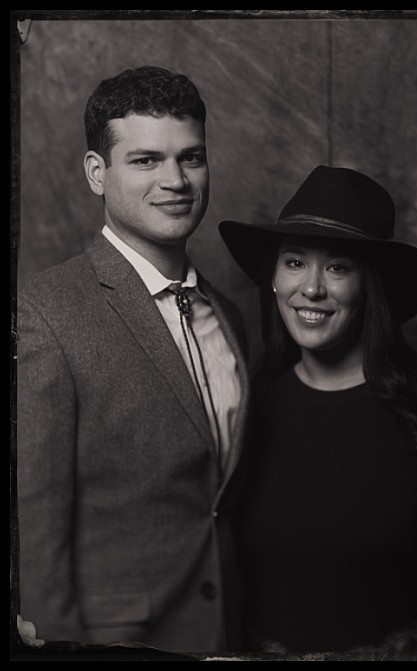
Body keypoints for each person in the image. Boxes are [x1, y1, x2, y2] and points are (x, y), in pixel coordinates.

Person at [16, 66, 250, 652]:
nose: (175, 180)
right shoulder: (44, 311)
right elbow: (36, 521)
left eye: (190, 158)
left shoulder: (229, 315)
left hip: (232, 631)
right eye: (146, 160)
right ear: (98, 173)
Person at [218, 165, 417, 654]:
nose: (311, 289)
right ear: (272, 278)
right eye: (294, 262)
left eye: (337, 267)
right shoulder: (242, 402)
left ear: (369, 285)